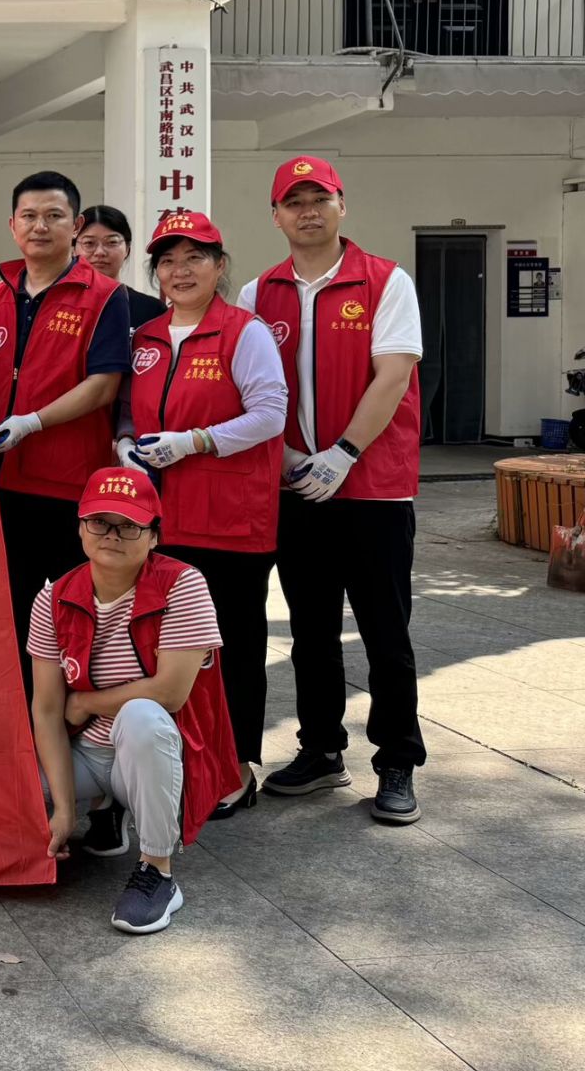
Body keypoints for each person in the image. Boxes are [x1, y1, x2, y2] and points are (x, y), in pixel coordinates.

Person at [239, 156, 427, 823]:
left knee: (385, 631)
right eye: (293, 201)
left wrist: (344, 453)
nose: (307, 211)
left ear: (342, 204)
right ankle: (321, 749)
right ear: (276, 216)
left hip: (374, 489)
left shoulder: (385, 280)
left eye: (319, 198)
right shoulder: (257, 294)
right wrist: (291, 456)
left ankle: (398, 759)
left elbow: (393, 374)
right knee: (311, 631)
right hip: (296, 489)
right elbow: (249, 387)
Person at [119, 212, 286, 817]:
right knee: (170, 650)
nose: (180, 271)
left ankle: (236, 769)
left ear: (220, 266)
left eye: (195, 258)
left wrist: (193, 441)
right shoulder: (147, 337)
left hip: (229, 523)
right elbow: (130, 410)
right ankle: (185, 761)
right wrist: (125, 444)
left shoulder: (245, 332)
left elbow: (269, 414)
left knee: (231, 648)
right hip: (163, 522)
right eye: (167, 261)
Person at [27, 468, 236, 935]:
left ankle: (157, 871)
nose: (112, 535)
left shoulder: (183, 584)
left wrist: (87, 703)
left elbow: (169, 692)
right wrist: (64, 809)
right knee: (11, 794)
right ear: (81, 527)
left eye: (129, 526)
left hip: (157, 751)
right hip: (87, 752)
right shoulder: (52, 597)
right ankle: (100, 807)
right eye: (99, 522)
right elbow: (47, 709)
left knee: (142, 716)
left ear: (154, 536)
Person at [0, 171, 129, 686]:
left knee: (70, 616)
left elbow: (103, 385)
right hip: (0, 487)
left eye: (54, 216)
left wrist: (34, 421)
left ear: (75, 225)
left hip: (67, 488)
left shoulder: (104, 296)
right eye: (29, 216)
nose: (40, 226)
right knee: (10, 613)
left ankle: (73, 720)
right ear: (12, 225)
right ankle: (18, 721)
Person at [79, 206, 166, 330]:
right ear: (73, 250)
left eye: (112, 242)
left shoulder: (152, 310)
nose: (100, 252)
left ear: (127, 249)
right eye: (89, 243)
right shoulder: (56, 304)